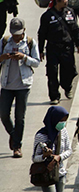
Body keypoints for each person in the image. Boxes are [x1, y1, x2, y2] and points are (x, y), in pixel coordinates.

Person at [1, 18, 41, 158]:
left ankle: (17, 146)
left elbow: (36, 62)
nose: (16, 37)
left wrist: (23, 57)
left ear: (24, 30)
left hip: (23, 85)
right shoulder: (5, 41)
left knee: (20, 117)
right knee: (4, 114)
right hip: (7, 84)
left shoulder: (30, 43)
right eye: (14, 34)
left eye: (18, 34)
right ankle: (14, 134)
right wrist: (3, 57)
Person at [38, 0, 79, 105]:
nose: (66, 1)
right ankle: (54, 96)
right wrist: (41, 50)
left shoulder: (70, 12)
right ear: (57, 1)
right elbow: (42, 34)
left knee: (69, 71)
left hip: (67, 47)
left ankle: (67, 87)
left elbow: (75, 30)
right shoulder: (47, 16)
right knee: (52, 73)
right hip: (53, 48)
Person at [31, 106, 71, 192]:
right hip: (46, 174)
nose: (63, 123)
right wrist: (44, 156)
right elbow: (34, 158)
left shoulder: (63, 131)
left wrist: (59, 157)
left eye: (64, 121)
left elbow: (69, 150)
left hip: (60, 173)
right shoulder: (41, 136)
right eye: (60, 121)